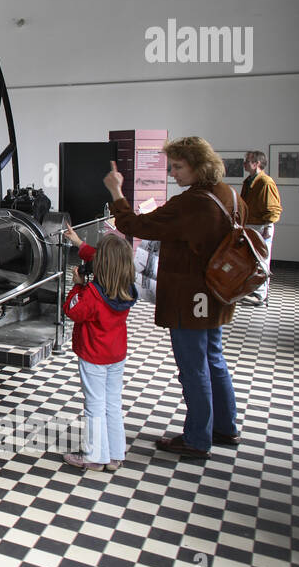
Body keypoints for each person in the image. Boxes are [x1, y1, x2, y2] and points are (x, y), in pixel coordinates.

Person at [100, 137, 243, 460]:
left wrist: (116, 192)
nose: (172, 174)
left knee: (193, 367)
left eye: (178, 167)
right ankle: (225, 426)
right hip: (219, 292)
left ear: (199, 166)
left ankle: (196, 439)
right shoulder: (230, 195)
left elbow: (136, 225)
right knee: (213, 358)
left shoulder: (192, 203)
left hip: (190, 297)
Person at [60, 228, 137, 472]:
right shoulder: (126, 288)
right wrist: (79, 243)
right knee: (112, 403)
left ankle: (95, 456)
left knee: (94, 404)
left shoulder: (92, 295)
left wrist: (78, 287)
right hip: (116, 354)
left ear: (100, 264)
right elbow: (106, 257)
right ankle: (114, 454)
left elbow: (71, 310)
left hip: (93, 355)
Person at [238, 150, 281, 305]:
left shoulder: (265, 182)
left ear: (256, 163)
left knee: (261, 261)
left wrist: (268, 225)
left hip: (260, 226)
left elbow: (274, 209)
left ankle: (260, 295)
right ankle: (252, 291)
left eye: (247, 161)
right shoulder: (249, 181)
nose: (244, 163)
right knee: (251, 261)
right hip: (251, 225)